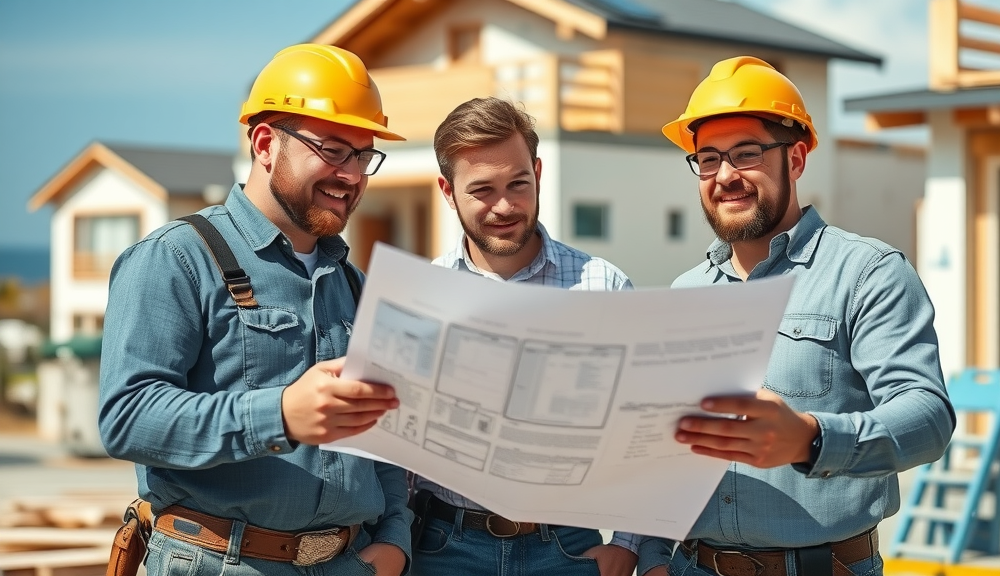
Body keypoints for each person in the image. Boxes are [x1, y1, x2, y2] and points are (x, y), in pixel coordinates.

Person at [98, 44, 413, 576]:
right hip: (217, 562)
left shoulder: (354, 286)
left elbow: (379, 436)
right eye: (334, 150)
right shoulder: (178, 257)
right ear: (266, 143)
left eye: (364, 156)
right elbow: (127, 418)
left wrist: (395, 541)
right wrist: (281, 413)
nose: (353, 175)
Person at [636, 56, 956, 576]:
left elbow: (927, 418)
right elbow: (663, 449)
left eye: (746, 154)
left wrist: (811, 438)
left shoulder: (868, 272)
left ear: (798, 158)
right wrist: (652, 558)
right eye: (708, 159)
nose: (725, 176)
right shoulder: (686, 291)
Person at [409, 97, 640, 576]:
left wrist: (629, 543)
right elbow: (396, 455)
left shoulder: (604, 286)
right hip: (441, 547)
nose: (505, 206)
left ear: (538, 171)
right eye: (482, 190)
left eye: (518, 183)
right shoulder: (417, 297)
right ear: (447, 192)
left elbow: (642, 429)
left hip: (569, 549)